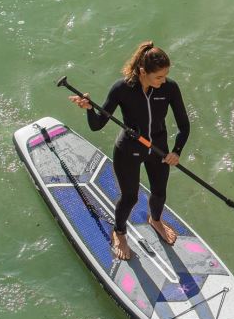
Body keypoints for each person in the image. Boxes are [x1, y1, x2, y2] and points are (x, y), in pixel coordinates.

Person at [69, 42, 190, 260]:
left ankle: (155, 220)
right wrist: (89, 109)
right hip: (128, 151)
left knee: (160, 193)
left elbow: (184, 125)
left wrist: (176, 151)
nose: (163, 82)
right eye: (158, 77)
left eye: (165, 76)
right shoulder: (121, 89)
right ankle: (120, 232)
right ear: (143, 72)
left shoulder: (170, 88)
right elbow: (97, 124)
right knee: (130, 197)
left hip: (158, 150)